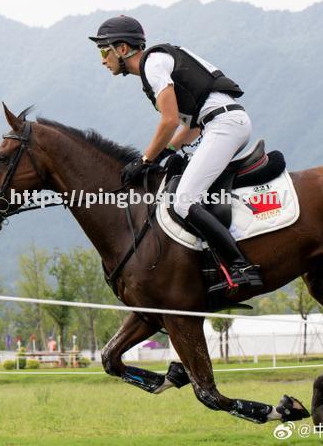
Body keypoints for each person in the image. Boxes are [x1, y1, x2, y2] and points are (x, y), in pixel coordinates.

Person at [89, 15, 263, 293]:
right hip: (220, 124)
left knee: (183, 201)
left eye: (103, 50)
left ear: (122, 49)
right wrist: (169, 152)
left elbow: (169, 121)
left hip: (224, 125)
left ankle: (240, 267)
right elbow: (189, 126)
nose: (101, 60)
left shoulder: (153, 65)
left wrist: (146, 160)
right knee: (183, 186)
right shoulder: (155, 66)